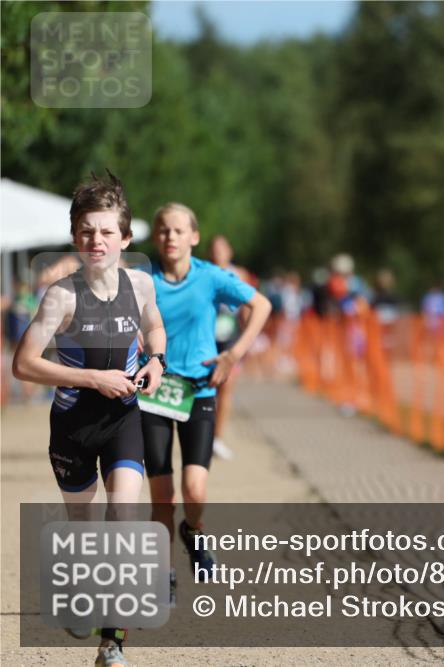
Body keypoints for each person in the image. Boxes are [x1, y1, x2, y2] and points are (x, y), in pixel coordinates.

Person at [12, 172, 167, 667]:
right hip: (73, 427)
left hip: (123, 419)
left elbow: (154, 324)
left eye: (106, 231)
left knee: (123, 521)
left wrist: (156, 360)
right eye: (86, 231)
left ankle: (111, 644)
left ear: (126, 238)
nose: (96, 240)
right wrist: (93, 378)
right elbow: (23, 364)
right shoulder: (61, 295)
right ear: (75, 237)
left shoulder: (140, 283)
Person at [141, 203, 271, 606]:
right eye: (164, 230)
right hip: (154, 393)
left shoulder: (211, 277)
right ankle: (165, 575)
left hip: (198, 392)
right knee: (163, 497)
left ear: (194, 237)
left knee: (194, 490)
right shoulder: (143, 280)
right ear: (155, 236)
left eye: (179, 230)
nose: (171, 237)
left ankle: (194, 531)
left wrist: (232, 355)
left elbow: (262, 306)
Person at [207, 234, 254, 461]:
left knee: (226, 388)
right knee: (207, 389)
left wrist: (246, 339)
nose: (218, 253)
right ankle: (202, 434)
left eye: (221, 248)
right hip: (207, 337)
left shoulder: (240, 274)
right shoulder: (203, 272)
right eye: (214, 249)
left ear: (229, 252)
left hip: (230, 337)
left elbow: (248, 307)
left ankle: (217, 438)